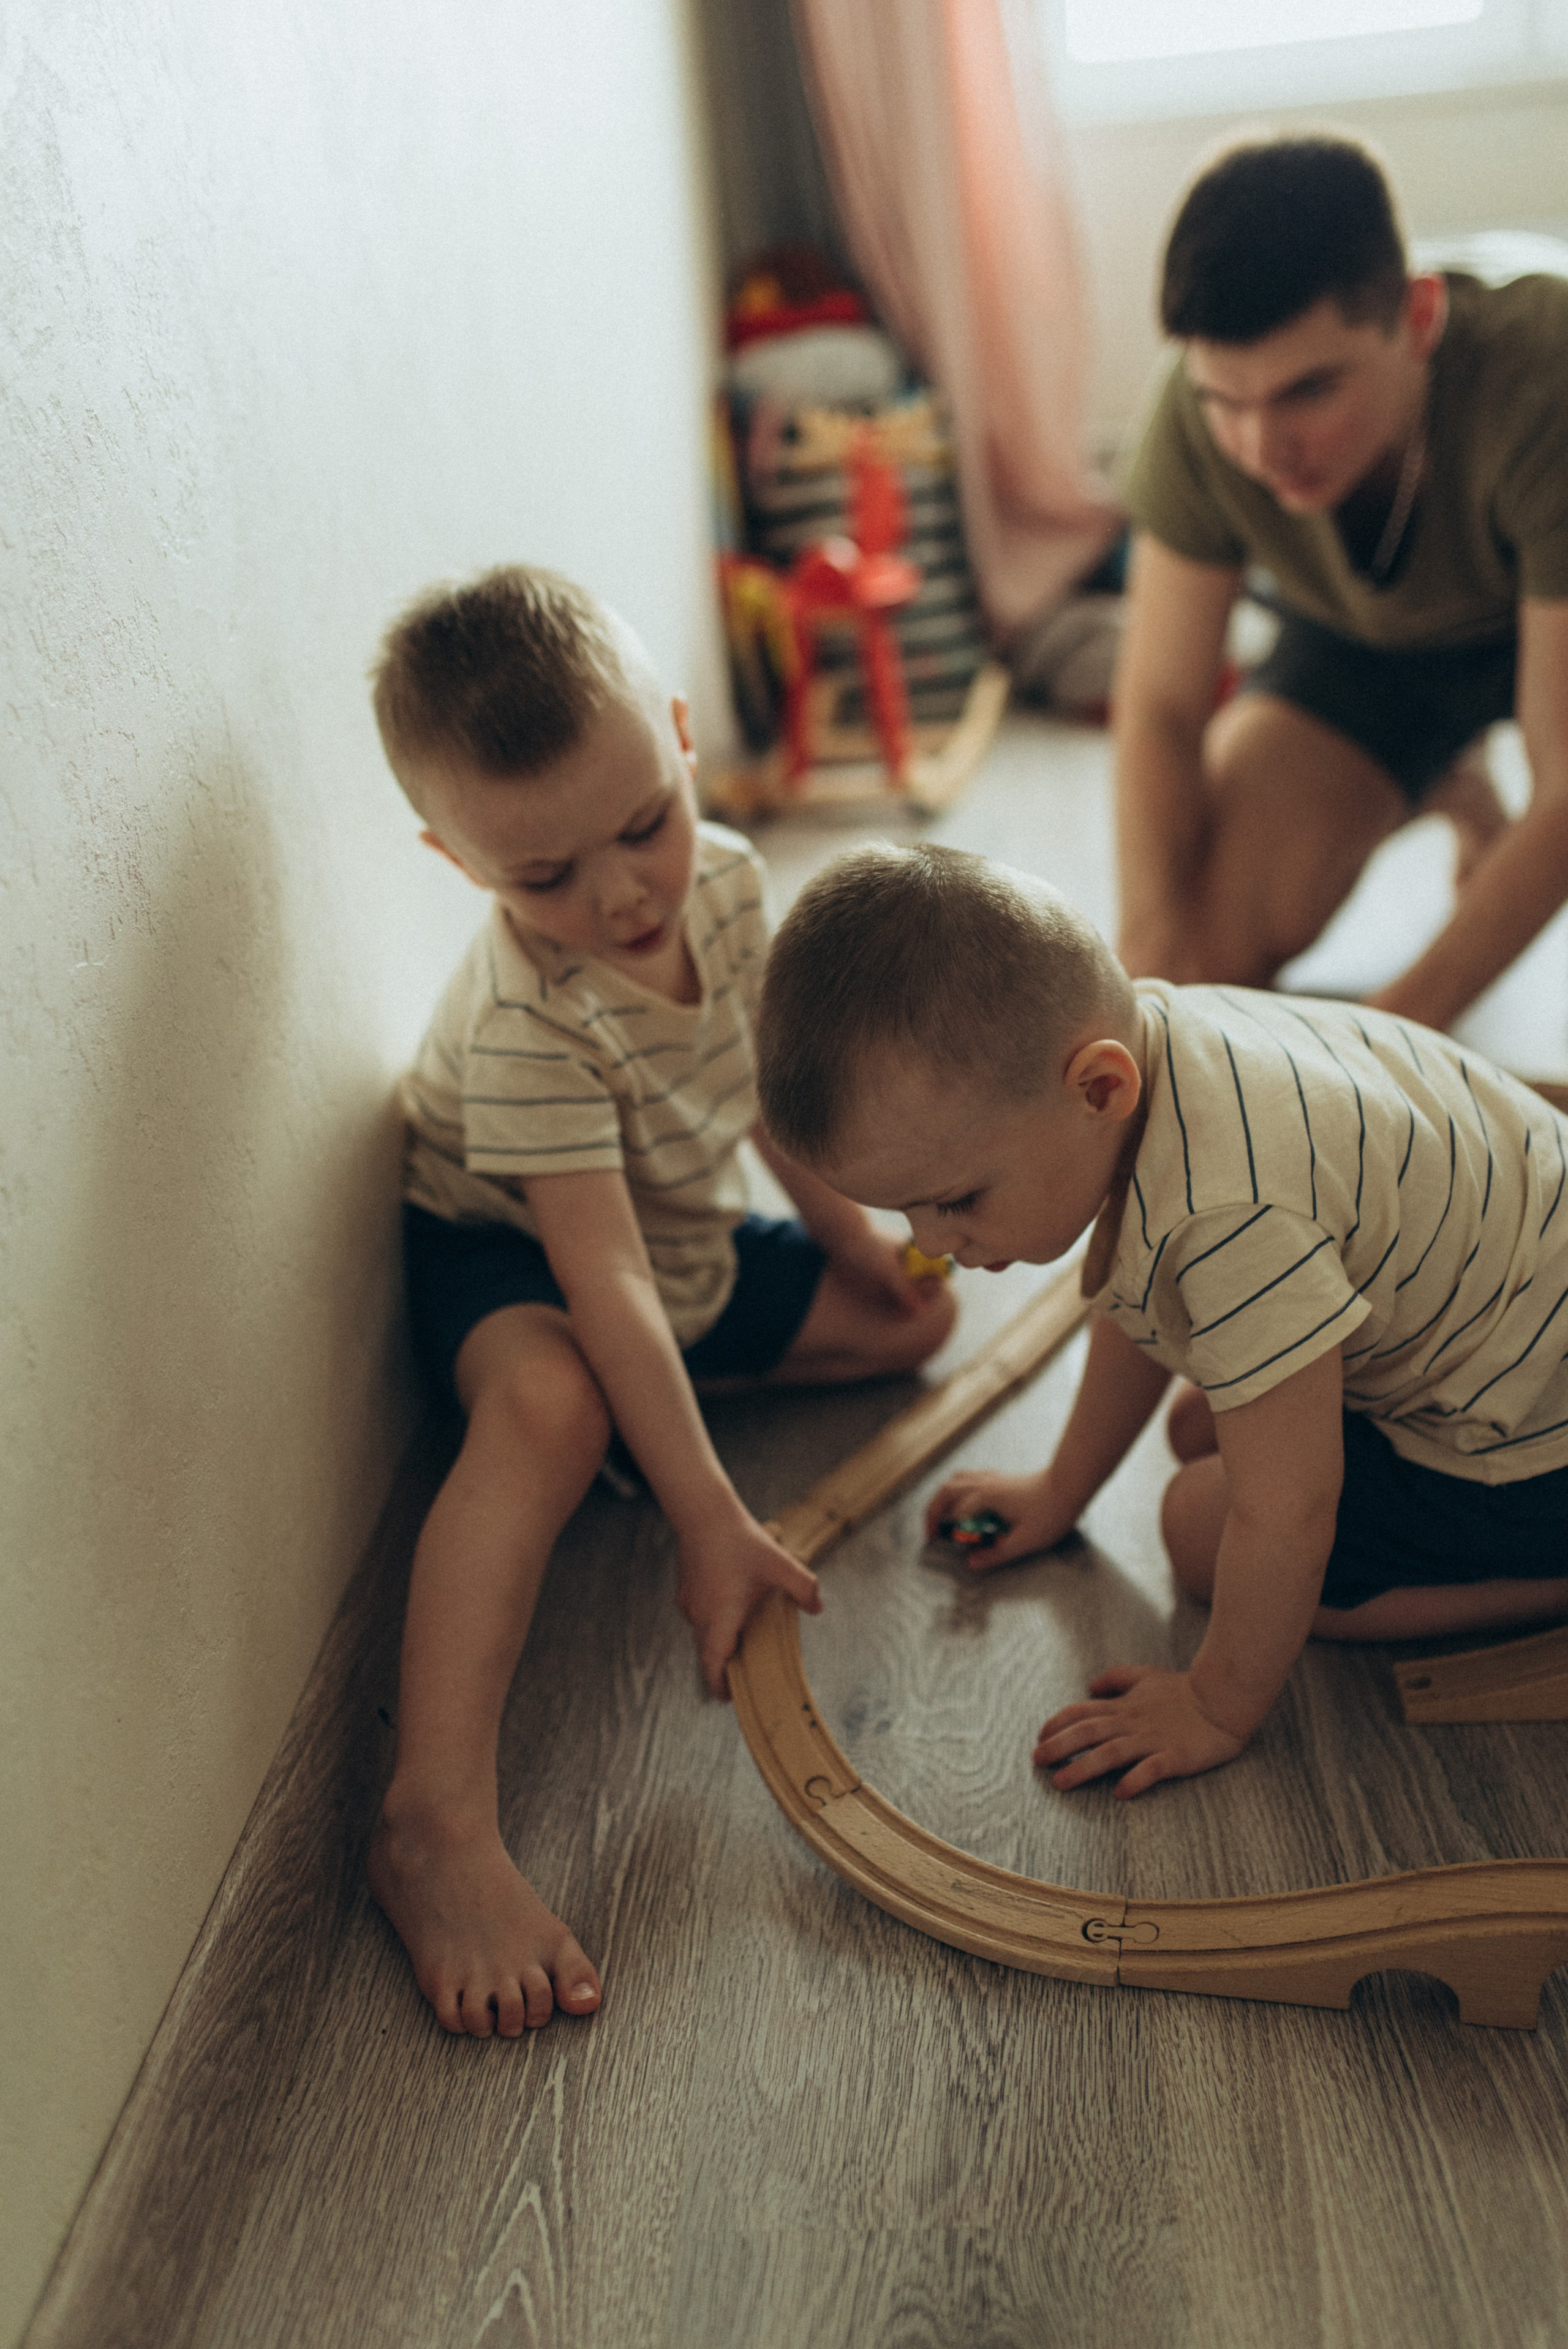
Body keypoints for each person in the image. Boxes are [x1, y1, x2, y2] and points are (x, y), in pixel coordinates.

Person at [367, 568, 956, 2036]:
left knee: (914, 1320)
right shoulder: (525, 1023)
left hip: (673, 1230)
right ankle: (431, 1822)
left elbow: (763, 1107)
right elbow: (600, 1274)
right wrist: (708, 1515)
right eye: (543, 875)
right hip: (511, 1257)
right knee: (557, 1402)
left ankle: (642, 1424)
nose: (621, 891)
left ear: (683, 736)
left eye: (642, 823)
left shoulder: (735, 883)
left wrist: (852, 1233)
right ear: (456, 861)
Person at [755, 841, 1568, 1800]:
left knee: (1200, 1530)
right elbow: (1141, 1296)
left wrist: (1215, 1703)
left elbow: (1293, 1511)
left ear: (1100, 1089)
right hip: (1519, 1323)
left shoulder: (1233, 1215)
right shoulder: (1158, 1046)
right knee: (1203, 1426)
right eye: (907, 1213)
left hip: (1532, 1433)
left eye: (957, 1200)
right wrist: (1062, 1488)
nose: (937, 1244)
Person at [1114, 134, 1568, 1035]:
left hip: (1538, 620)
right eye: (1226, 402)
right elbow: (1160, 704)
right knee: (1204, 947)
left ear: (1421, 318)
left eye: (1309, 392)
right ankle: (1451, 779)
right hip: (1365, 643)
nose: (1260, 447)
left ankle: (1450, 771)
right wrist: (1151, 977)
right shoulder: (1196, 417)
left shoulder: (1545, 376)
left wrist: (1386, 1044)